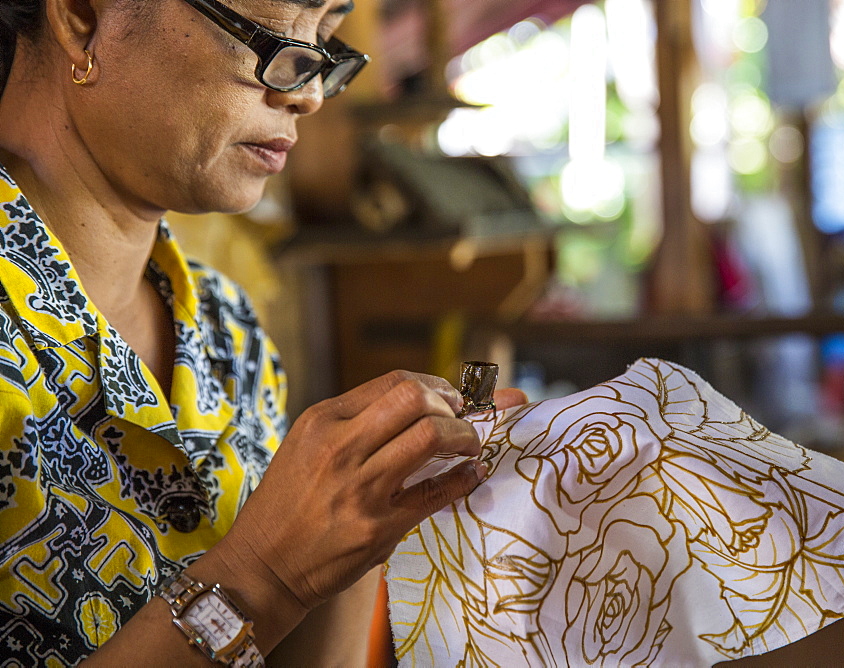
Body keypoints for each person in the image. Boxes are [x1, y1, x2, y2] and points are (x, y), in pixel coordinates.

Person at [0, 0, 526, 663]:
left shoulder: (228, 332)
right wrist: (265, 572)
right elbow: (267, 581)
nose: (308, 94)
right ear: (81, 16)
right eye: (278, 30)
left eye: (327, 37)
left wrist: (362, 524)